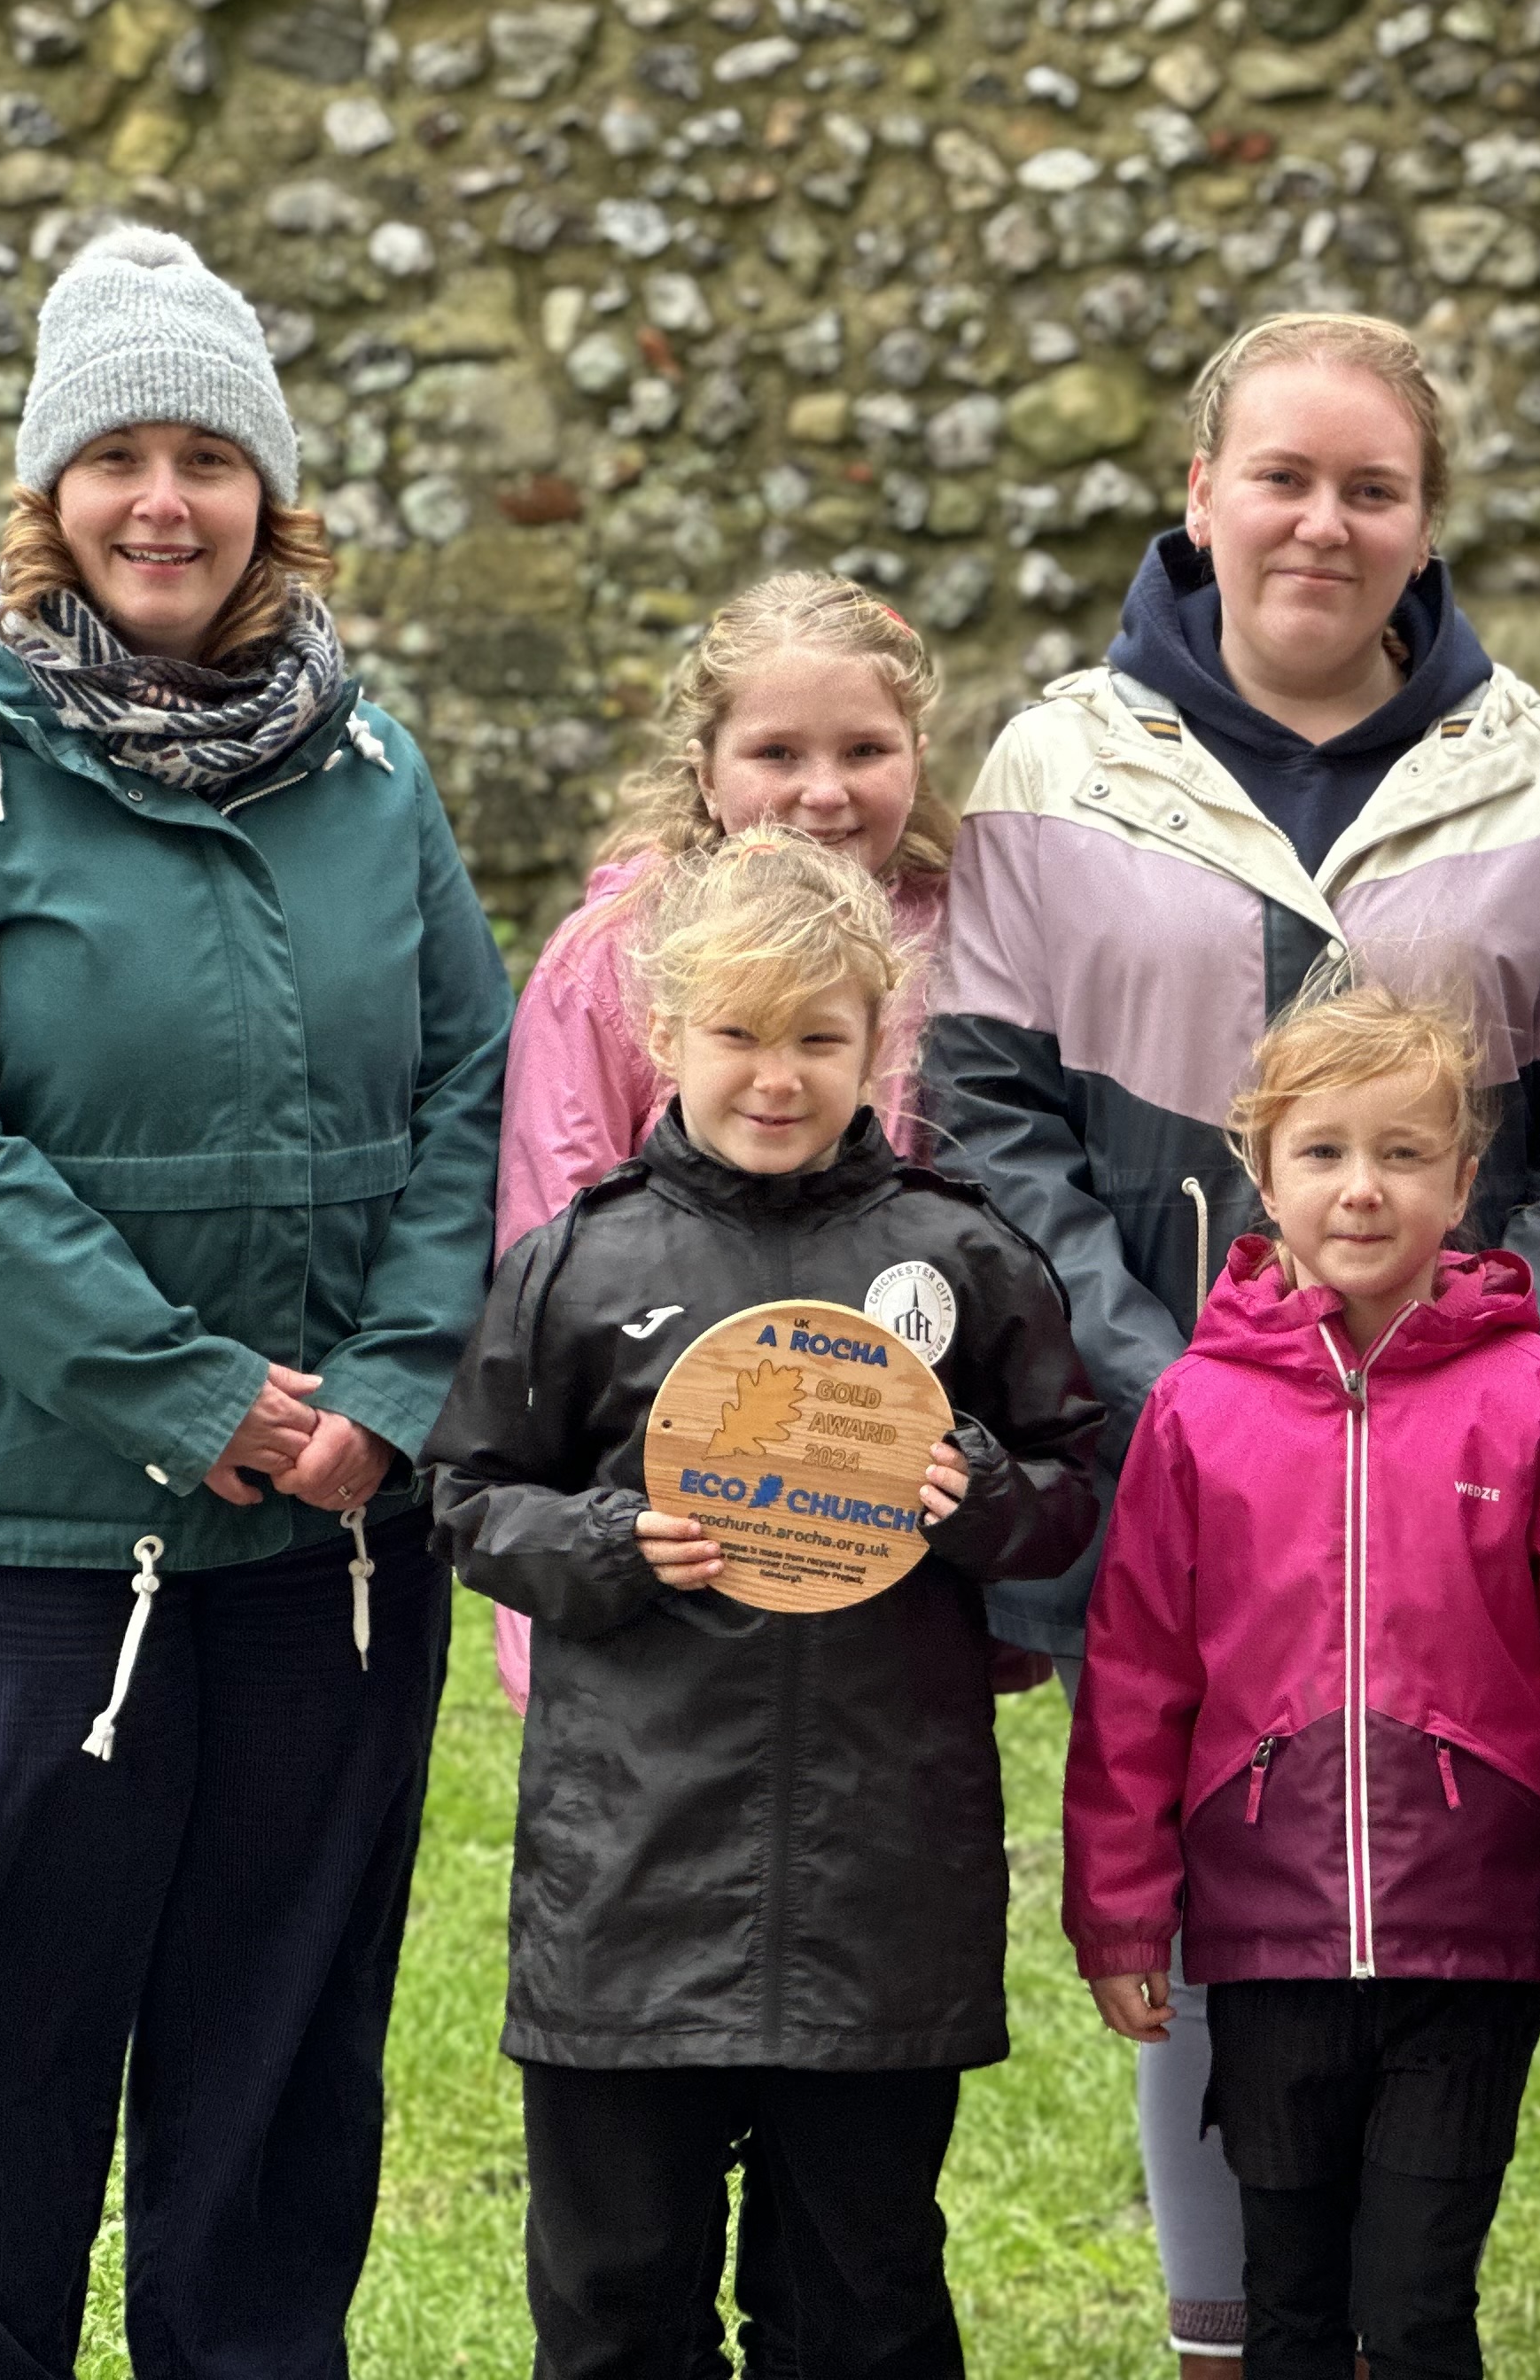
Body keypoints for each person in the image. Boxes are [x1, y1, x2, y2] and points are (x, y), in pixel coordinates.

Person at [0, 223, 509, 2376]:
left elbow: (469, 1076)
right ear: (47, 492)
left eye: (210, 455)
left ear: (274, 497)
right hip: (0, 1546)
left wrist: (380, 1387)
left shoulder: (370, 771)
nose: (162, 502)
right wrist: (197, 1394)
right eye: (117, 457)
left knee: (277, 2104)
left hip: (324, 1556)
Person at [931, 311, 1540, 2368]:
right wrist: (1168, 1397)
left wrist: (1507, 1378)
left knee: (1420, 1904)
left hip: (1448, 1493)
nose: (1323, 524)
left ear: (1426, 519)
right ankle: (1223, 2327)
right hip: (1166, 1457)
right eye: (1282, 477)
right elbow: (988, 1123)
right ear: (1199, 494)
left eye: (1372, 488)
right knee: (1208, 1866)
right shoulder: (1060, 764)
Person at [424, 829, 1101, 2380]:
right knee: (614, 2301)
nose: (777, 1076)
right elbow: (466, 1496)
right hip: (630, 1895)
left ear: (883, 1038)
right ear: (666, 1037)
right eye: (737, 1034)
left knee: (861, 2300)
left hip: (879, 1893)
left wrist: (981, 1497)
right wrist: (604, 1542)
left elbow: (1074, 1481)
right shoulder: (576, 1268)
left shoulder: (961, 1257)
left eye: (818, 1037)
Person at [1062, 984, 1540, 2380]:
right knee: (1292, 2307)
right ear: (1263, 1171)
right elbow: (1138, 1676)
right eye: (1323, 1153)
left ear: (1463, 1181)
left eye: (1403, 1155)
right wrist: (1122, 1913)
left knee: (1421, 2308)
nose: (1362, 1191)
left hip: (1468, 1936)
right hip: (1266, 1931)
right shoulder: (1198, 1405)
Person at [488, 571, 964, 1713]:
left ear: (917, 752)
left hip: (889, 1493)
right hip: (666, 1499)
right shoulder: (616, 954)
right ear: (705, 766)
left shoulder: (967, 938)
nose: (823, 793)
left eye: (864, 751)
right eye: (776, 754)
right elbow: (553, 1247)